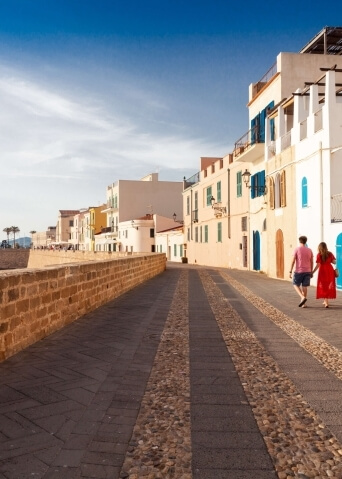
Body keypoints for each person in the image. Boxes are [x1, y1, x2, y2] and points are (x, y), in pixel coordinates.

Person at [289, 236, 313, 307]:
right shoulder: (309, 250)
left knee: (295, 284)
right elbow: (311, 261)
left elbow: (293, 261)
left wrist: (290, 271)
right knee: (304, 286)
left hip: (299, 271)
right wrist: (311, 271)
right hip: (308, 270)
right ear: (306, 241)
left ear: (299, 241)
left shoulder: (297, 249)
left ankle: (302, 297)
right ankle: (304, 303)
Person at [312, 242, 336, 308]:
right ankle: (325, 300)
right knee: (328, 285)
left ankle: (326, 302)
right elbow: (334, 262)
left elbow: (318, 265)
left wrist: (313, 272)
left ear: (319, 247)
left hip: (322, 271)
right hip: (329, 270)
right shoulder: (330, 253)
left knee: (323, 285)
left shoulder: (319, 255)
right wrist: (332, 260)